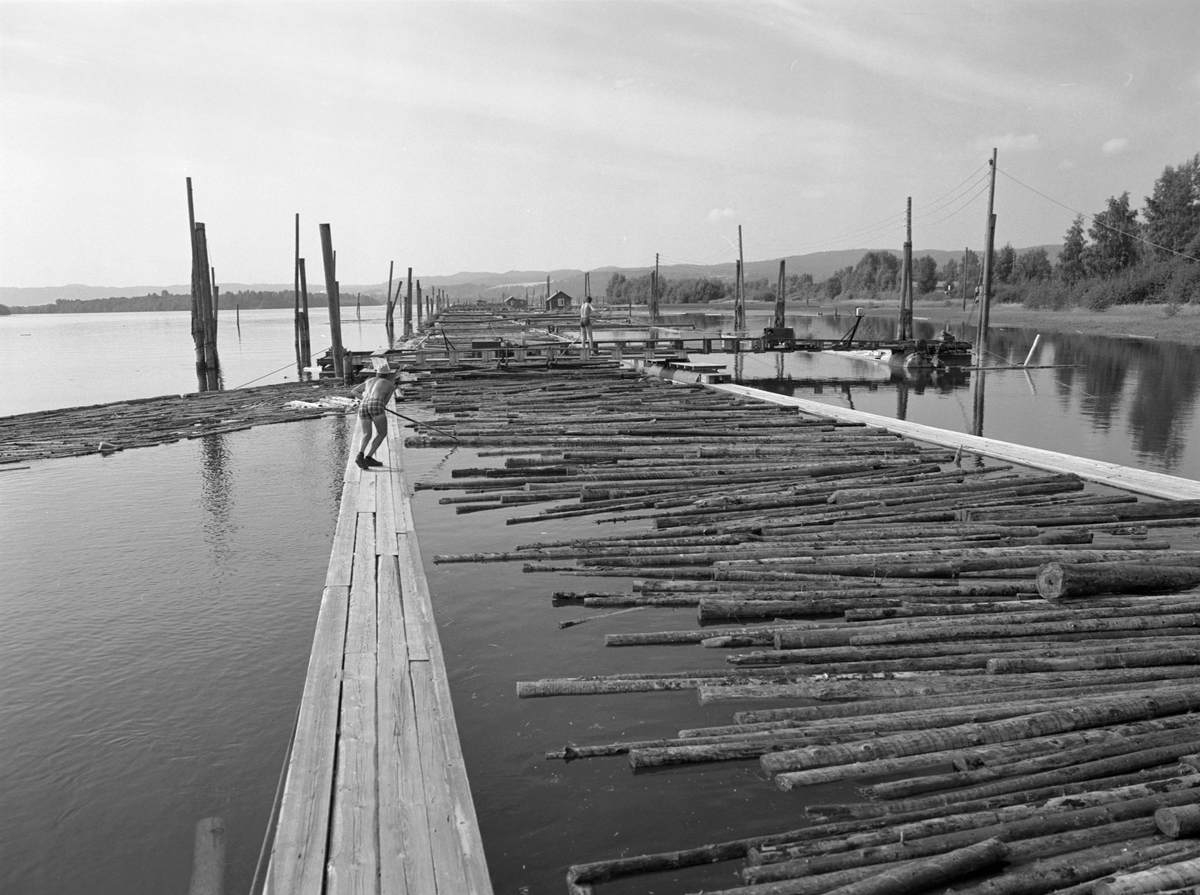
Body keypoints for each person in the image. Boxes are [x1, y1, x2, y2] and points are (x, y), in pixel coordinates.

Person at [350, 362, 399, 470]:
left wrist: (366, 400)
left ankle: (360, 454)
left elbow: (354, 391)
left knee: (366, 433)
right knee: (382, 433)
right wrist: (377, 404)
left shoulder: (369, 381)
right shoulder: (389, 384)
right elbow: (384, 403)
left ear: (377, 373)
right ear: (387, 374)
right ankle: (368, 457)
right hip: (376, 403)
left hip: (363, 404)